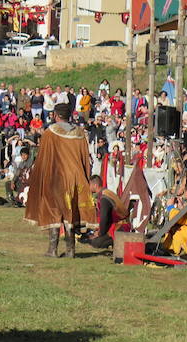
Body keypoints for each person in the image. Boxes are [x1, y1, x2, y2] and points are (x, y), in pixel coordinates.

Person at [24, 103, 95, 257]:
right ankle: (71, 250)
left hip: (57, 176)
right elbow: (85, 159)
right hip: (76, 177)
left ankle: (52, 249)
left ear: (56, 115)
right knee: (70, 212)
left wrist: (39, 176)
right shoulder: (80, 133)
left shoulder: (51, 133)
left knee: (53, 210)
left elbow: (44, 157)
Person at [84, 175, 129, 249]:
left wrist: (100, 233)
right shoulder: (105, 193)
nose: (89, 187)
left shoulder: (104, 197)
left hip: (121, 227)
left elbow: (104, 217)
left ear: (95, 185)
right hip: (115, 225)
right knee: (92, 238)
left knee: (96, 243)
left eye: (90, 185)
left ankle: (114, 242)